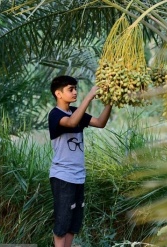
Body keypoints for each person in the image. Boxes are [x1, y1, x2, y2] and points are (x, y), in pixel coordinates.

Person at [48, 75, 112, 247]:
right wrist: (89, 96)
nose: (75, 92)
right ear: (58, 94)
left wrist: (110, 101)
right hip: (63, 176)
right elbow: (71, 122)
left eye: (76, 88)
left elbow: (100, 123)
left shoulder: (76, 112)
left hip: (78, 176)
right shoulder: (55, 115)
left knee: (73, 225)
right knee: (62, 224)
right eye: (71, 89)